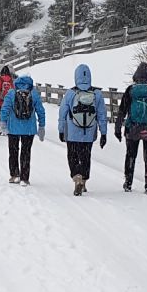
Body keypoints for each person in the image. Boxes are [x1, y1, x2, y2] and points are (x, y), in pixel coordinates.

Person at [115, 61, 147, 195]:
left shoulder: (131, 90)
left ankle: (128, 183)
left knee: (131, 155)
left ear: (136, 76)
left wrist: (118, 127)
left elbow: (122, 110)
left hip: (133, 128)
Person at [57, 63, 107, 196]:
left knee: (72, 156)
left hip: (72, 133)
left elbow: (62, 113)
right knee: (85, 156)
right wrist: (103, 133)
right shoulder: (97, 94)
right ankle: (84, 180)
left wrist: (61, 129)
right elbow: (102, 115)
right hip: (89, 133)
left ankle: (76, 176)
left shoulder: (70, 93)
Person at [0, 73, 46, 184]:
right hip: (29, 129)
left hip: (13, 128)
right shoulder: (34, 94)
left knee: (13, 151)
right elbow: (41, 111)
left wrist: (3, 123)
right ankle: (25, 178)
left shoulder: (11, 93)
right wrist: (41, 126)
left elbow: (4, 109)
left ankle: (15, 175)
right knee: (26, 152)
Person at [0, 64, 14, 136]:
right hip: (8, 102)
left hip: (0, 101)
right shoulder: (11, 80)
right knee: (8, 114)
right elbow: (13, 90)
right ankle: (7, 128)